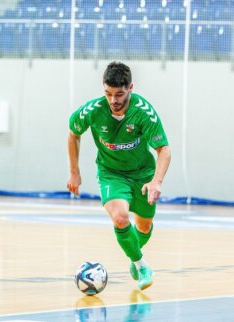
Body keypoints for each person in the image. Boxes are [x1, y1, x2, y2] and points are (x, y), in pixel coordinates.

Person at [67, 61, 171, 290]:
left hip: (143, 174)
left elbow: (164, 150)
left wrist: (156, 181)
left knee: (143, 227)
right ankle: (141, 264)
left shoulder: (144, 112)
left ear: (131, 88)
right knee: (121, 218)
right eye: (108, 93)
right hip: (111, 173)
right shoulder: (93, 110)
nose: (113, 100)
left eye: (119, 94)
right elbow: (73, 133)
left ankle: (135, 253)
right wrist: (74, 172)